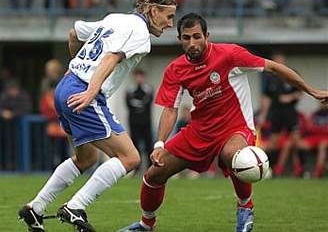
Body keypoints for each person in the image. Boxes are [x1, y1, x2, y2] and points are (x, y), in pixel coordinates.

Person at [118, 13, 328, 232]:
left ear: (207, 36)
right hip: (200, 131)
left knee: (236, 156)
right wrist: (159, 144)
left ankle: (245, 208)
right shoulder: (175, 69)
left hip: (235, 128)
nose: (192, 43)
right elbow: (170, 108)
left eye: (197, 36)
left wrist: (311, 91)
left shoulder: (230, 54)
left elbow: (274, 67)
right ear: (180, 39)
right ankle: (146, 224)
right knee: (154, 174)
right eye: (186, 38)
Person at [18, 0, 176, 232]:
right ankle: (76, 206)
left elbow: (74, 33)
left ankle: (36, 208)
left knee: (86, 158)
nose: (170, 24)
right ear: (153, 11)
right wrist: (92, 89)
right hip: (85, 92)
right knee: (130, 157)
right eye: (168, 17)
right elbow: (111, 58)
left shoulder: (115, 19)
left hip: (66, 87)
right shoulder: (141, 34)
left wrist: (76, 67)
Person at [258, 53, 304, 177]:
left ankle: (300, 170)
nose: (278, 64)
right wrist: (263, 114)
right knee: (272, 143)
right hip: (276, 113)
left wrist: (290, 97)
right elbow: (266, 97)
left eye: (280, 62)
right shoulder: (270, 78)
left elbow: (301, 91)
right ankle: (269, 169)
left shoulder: (291, 74)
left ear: (284, 62)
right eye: (276, 62)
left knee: (296, 141)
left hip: (290, 113)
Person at [126, 69, 154, 175]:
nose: (139, 79)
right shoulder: (130, 90)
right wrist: (139, 105)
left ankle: (150, 169)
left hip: (146, 122)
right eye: (137, 76)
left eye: (140, 76)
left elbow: (147, 103)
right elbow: (129, 105)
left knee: (148, 146)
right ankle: (135, 170)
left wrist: (137, 104)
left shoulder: (148, 90)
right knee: (135, 146)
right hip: (134, 122)